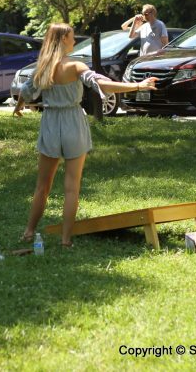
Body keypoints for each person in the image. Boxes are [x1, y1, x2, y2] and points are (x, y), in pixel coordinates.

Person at [14, 22, 158, 248]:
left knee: (42, 186)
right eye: (71, 37)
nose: (74, 40)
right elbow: (103, 84)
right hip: (72, 121)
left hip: (50, 122)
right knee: (72, 187)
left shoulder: (42, 67)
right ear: (63, 40)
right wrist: (138, 86)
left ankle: (29, 232)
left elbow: (25, 92)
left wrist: (18, 107)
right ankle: (65, 240)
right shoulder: (75, 66)